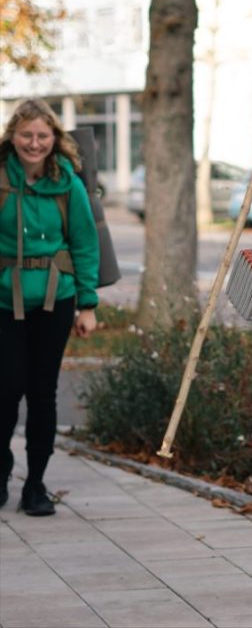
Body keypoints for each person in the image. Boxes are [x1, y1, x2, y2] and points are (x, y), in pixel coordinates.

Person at [0, 99, 100, 516]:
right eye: (27, 135)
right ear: (13, 136)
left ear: (54, 138)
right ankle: (1, 472)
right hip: (4, 300)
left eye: (42, 135)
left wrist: (87, 304)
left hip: (54, 301)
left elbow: (85, 243)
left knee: (42, 393)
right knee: (5, 390)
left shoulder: (68, 183)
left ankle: (36, 484)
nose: (34, 143)